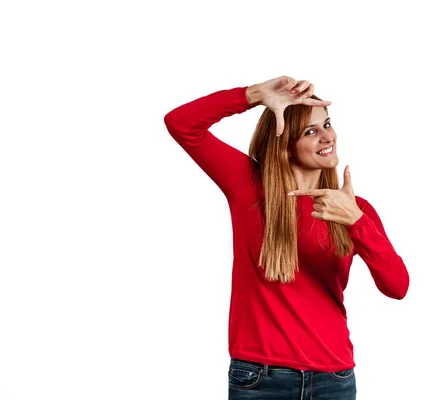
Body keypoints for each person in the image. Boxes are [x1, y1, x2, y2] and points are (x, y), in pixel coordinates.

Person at [163, 76, 410, 399]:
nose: (327, 137)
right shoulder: (249, 187)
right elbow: (181, 124)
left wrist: (357, 224)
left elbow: (397, 287)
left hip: (333, 379)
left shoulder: (354, 209)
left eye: (327, 124)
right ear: (285, 143)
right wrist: (253, 95)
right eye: (311, 131)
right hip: (259, 378)